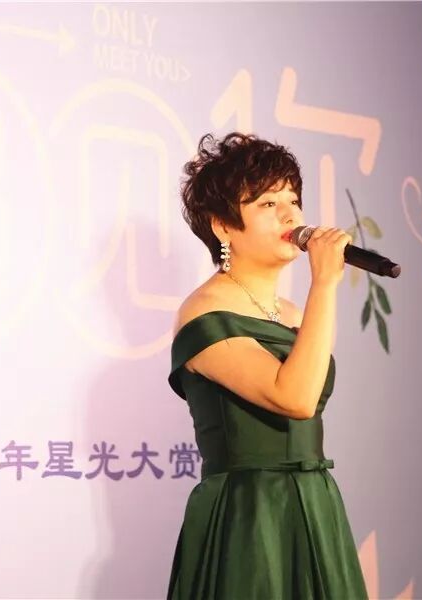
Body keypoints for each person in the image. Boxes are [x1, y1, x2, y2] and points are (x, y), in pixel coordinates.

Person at [166, 132, 368, 599]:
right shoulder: (204, 312)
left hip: (314, 503)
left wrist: (319, 293)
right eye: (268, 203)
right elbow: (294, 398)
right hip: (250, 515)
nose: (291, 215)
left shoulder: (295, 313)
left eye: (293, 200)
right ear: (223, 225)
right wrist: (325, 284)